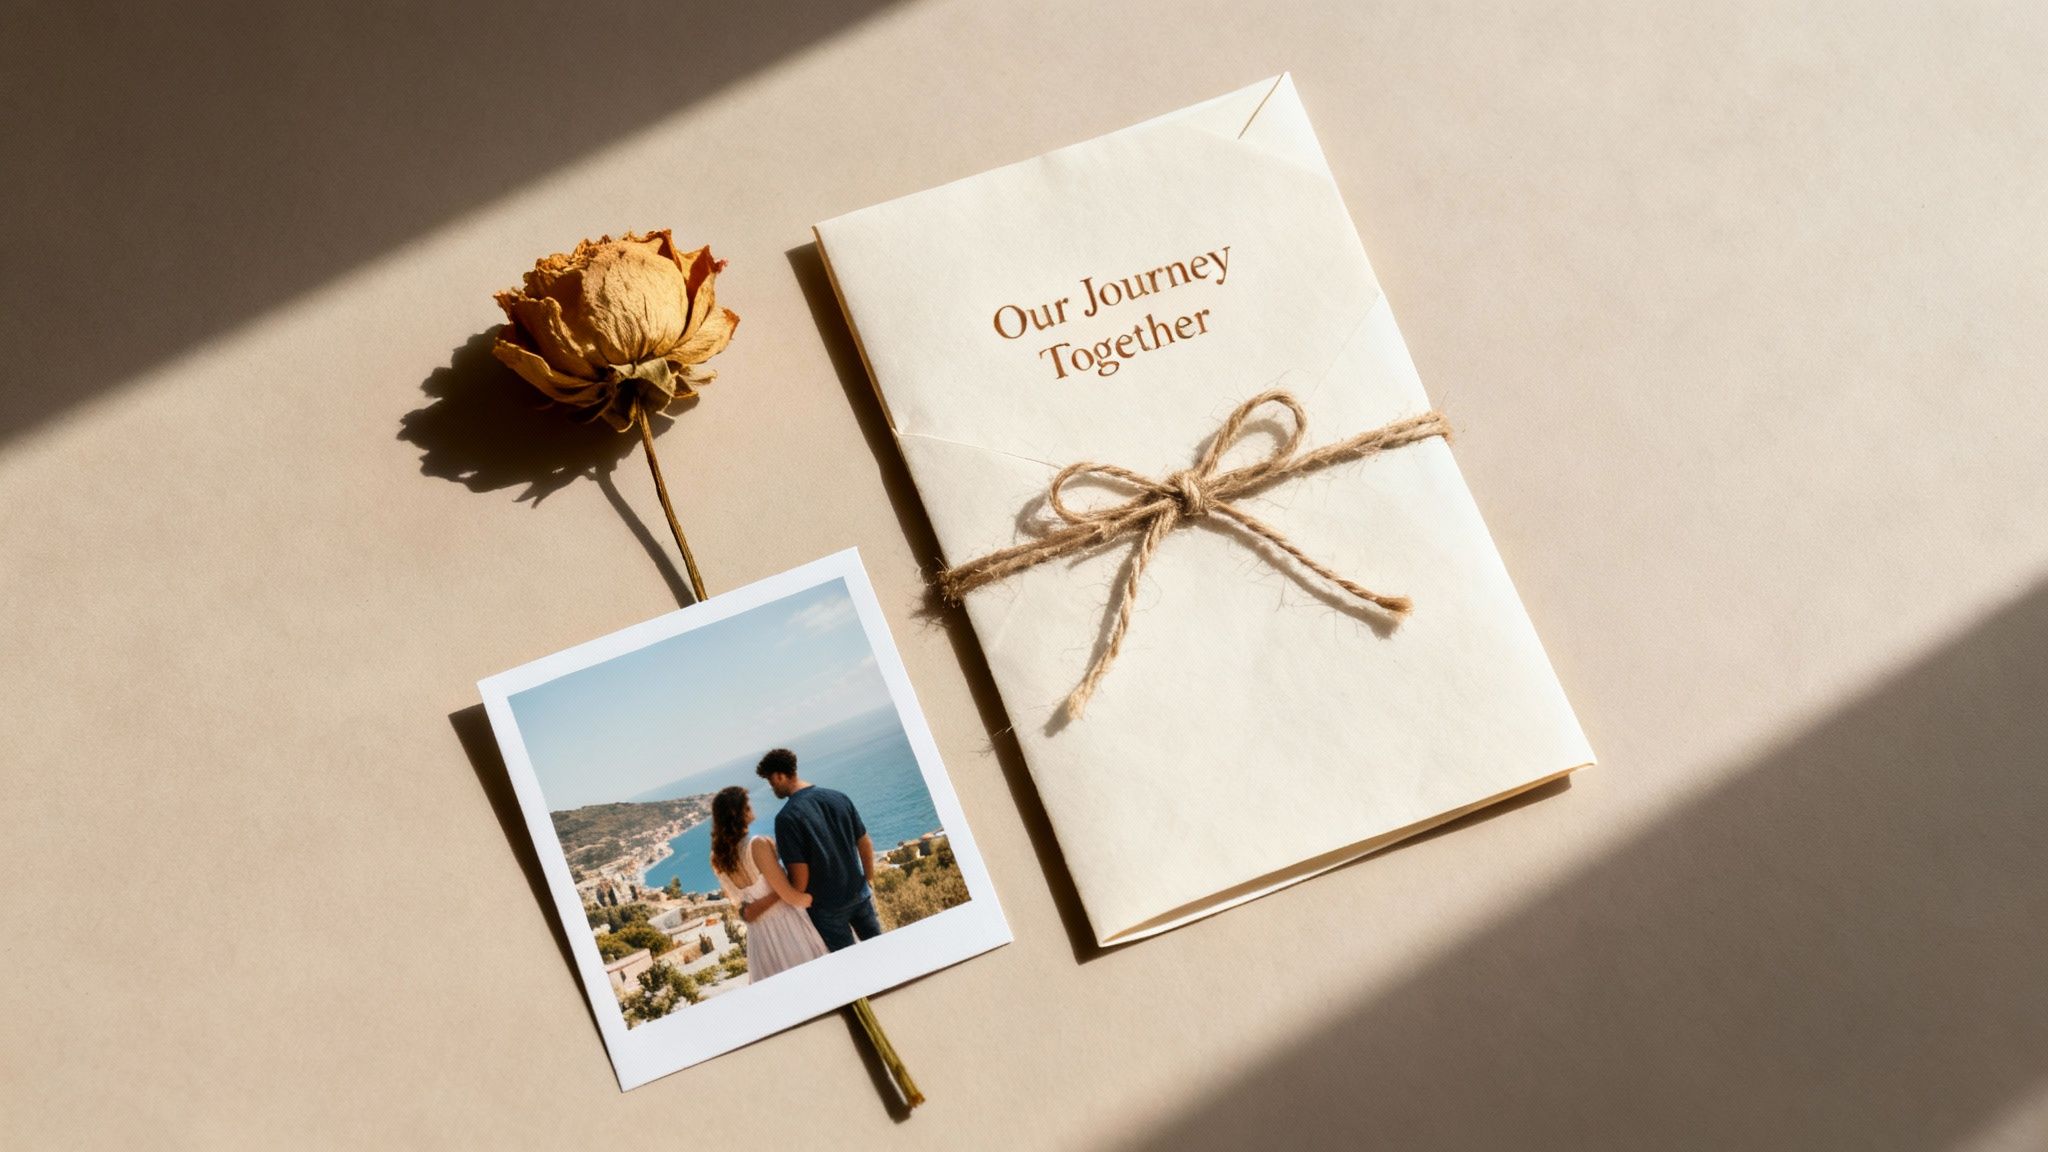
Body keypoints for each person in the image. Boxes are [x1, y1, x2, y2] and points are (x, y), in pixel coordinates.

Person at [755, 747, 880, 951]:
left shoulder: (786, 819)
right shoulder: (838, 797)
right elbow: (864, 843)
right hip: (859, 892)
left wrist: (791, 892)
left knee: (851, 964)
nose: (772, 788)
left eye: (771, 782)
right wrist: (868, 879)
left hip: (826, 908)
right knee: (882, 951)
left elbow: (800, 878)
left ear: (779, 776)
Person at [707, 786, 826, 981]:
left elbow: (744, 910)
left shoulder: (718, 859)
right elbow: (789, 895)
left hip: (759, 938)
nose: (751, 807)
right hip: (788, 929)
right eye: (748, 804)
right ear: (741, 811)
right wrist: (813, 899)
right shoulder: (757, 845)